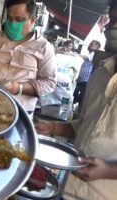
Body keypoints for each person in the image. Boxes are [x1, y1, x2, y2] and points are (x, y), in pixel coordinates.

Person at [35, 0, 117, 199]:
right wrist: (53, 129)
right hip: (68, 190)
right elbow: (86, 125)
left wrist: (108, 171)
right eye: (113, 19)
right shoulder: (100, 73)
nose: (112, 27)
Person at [0, 0, 56, 113]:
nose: (13, 23)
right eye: (10, 19)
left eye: (19, 20)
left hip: (20, 111)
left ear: (32, 20)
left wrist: (19, 88)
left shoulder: (44, 48)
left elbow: (49, 83)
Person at [73, 40, 101, 107]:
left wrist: (74, 54)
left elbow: (86, 57)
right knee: (77, 94)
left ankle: (78, 110)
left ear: (96, 47)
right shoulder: (91, 54)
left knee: (81, 96)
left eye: (91, 45)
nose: (89, 45)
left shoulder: (94, 54)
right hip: (82, 80)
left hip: (86, 80)